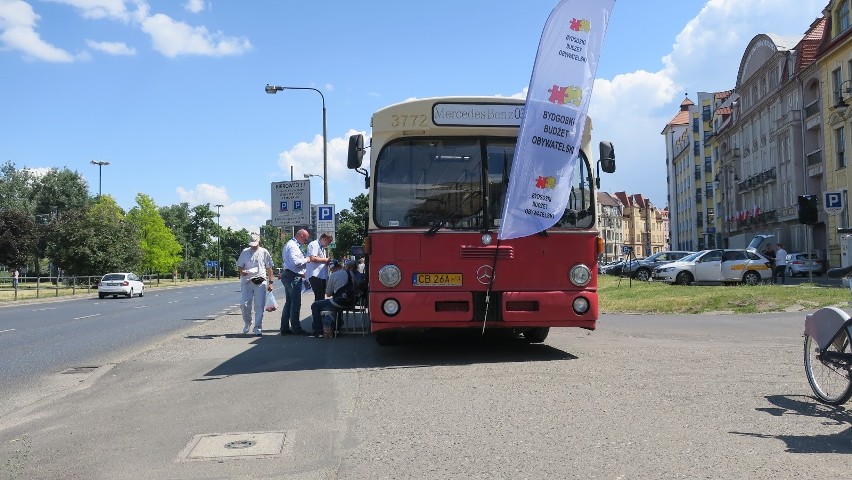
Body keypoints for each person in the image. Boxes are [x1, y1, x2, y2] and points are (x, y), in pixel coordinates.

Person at [280, 229, 320, 335]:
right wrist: (308, 259)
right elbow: (295, 262)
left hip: (290, 274)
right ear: (301, 236)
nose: (306, 241)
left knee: (289, 303)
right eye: (306, 238)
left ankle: (284, 328)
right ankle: (296, 329)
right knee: (295, 304)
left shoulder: (291, 244)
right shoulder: (293, 246)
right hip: (292, 276)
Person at [236, 233, 274, 336]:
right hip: (247, 281)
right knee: (244, 304)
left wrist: (270, 283)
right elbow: (240, 266)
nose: (253, 246)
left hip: (260, 281)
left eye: (255, 244)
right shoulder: (244, 252)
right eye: (251, 244)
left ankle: (258, 326)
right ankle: (248, 322)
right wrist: (242, 271)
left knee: (259, 305)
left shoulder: (264, 252)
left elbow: (269, 268)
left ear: (258, 242)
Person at [309, 258, 356, 338]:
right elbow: (355, 288)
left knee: (315, 305)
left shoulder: (333, 275)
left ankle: (318, 331)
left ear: (333, 268)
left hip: (338, 302)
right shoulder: (350, 274)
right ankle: (338, 326)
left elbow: (328, 294)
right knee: (339, 301)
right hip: (351, 303)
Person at [306, 233, 333, 309]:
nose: (328, 244)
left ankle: (319, 316)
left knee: (321, 298)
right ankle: (317, 318)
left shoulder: (322, 248)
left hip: (321, 275)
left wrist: (326, 261)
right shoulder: (314, 244)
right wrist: (325, 260)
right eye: (328, 242)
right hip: (315, 275)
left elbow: (319, 260)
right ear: (324, 239)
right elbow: (312, 258)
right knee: (319, 298)